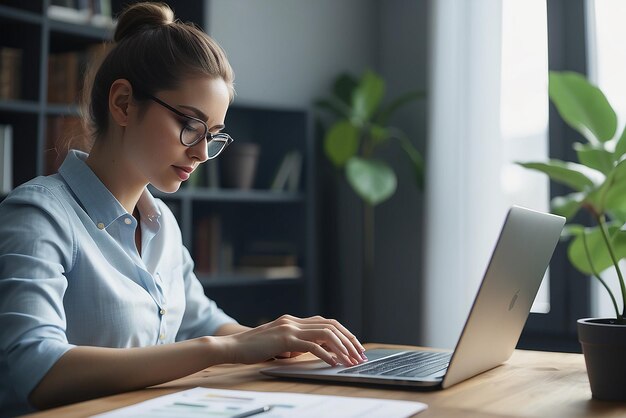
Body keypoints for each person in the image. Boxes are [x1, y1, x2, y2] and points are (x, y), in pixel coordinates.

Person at [0, 2, 366, 415]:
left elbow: (204, 322)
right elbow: (35, 369)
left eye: (213, 134)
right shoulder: (38, 216)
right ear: (122, 103)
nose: (201, 152)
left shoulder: (162, 225)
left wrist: (281, 340)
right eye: (190, 125)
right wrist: (223, 348)